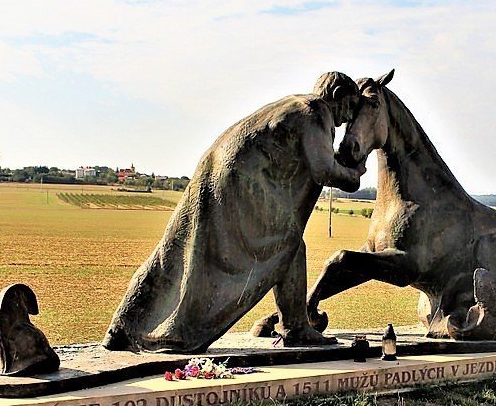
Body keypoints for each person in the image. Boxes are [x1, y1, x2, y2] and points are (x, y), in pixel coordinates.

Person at [102, 72, 363, 352]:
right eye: (350, 106)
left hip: (213, 173)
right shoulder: (316, 112)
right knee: (287, 244)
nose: (349, 116)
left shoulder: (290, 105)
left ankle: (122, 328)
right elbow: (323, 169)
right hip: (240, 182)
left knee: (175, 251)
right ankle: (294, 328)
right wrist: (353, 175)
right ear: (337, 95)